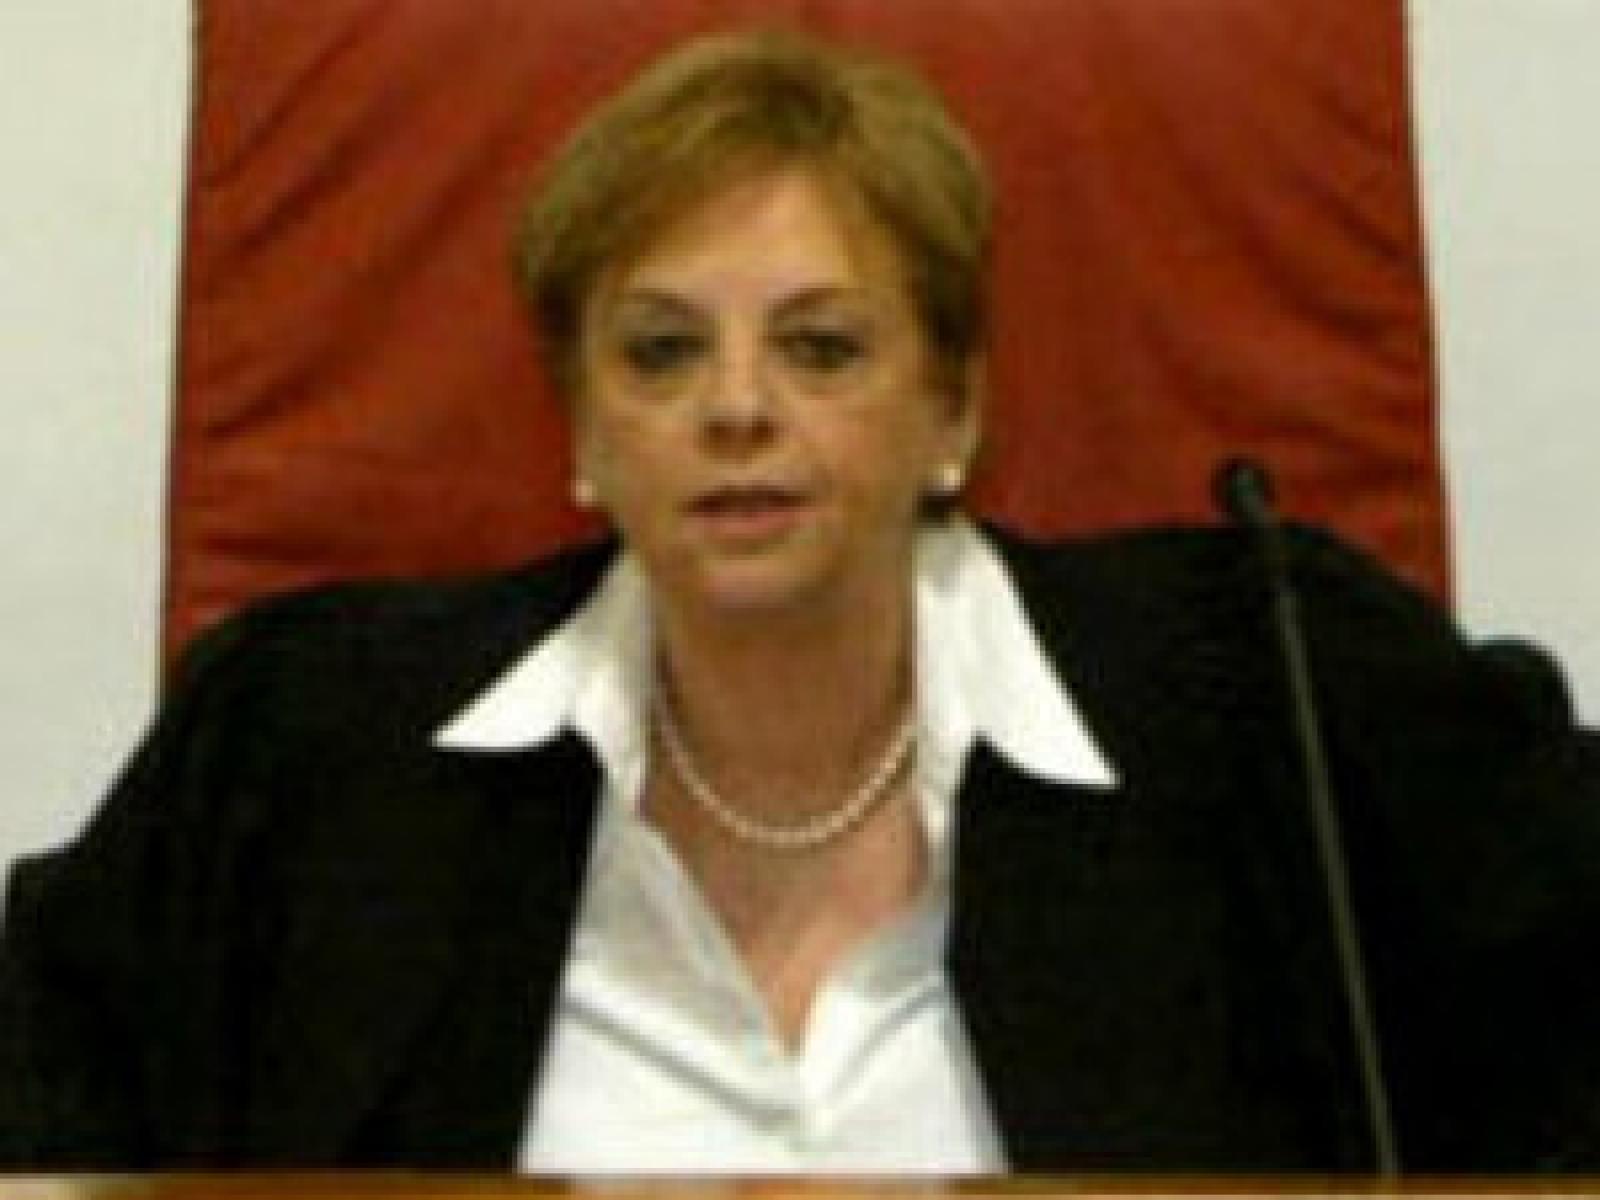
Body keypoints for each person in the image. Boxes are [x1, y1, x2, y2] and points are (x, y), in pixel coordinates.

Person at [3, 27, 1599, 1175]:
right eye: (661, 352)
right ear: (580, 432)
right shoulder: (300, 743)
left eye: (821, 347)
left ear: (955, 406)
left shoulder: (1281, 689)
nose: (737, 409)